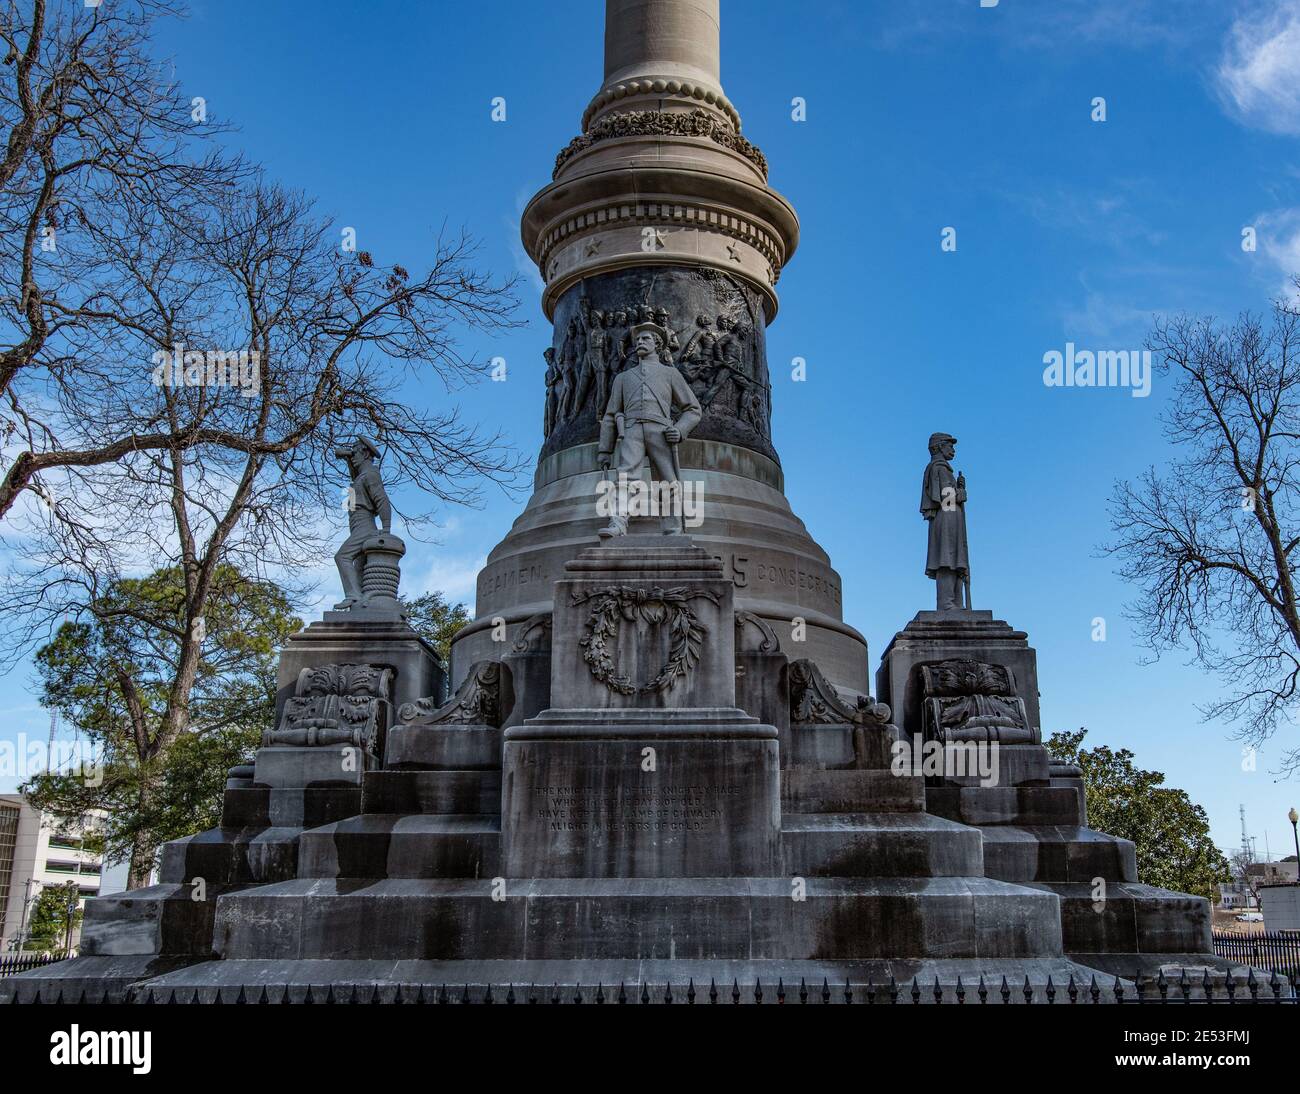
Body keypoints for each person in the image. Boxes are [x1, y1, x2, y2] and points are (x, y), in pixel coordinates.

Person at [597, 322, 702, 536]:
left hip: (661, 431)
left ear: (658, 344)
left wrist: (681, 430)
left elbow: (692, 409)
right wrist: (605, 450)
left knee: (667, 481)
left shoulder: (670, 374)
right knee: (625, 478)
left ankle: (672, 527)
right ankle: (618, 522)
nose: (639, 343)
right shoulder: (622, 378)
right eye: (637, 340)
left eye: (645, 339)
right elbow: (610, 415)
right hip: (631, 430)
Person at [334, 436, 391, 608]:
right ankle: (360, 603)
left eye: (355, 453)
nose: (353, 456)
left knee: (342, 556)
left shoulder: (371, 475)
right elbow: (355, 478)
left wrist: (386, 527)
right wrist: (347, 458)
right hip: (356, 523)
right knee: (360, 569)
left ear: (365, 454)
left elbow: (382, 500)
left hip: (365, 524)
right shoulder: (361, 476)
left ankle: (352, 595)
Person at [919, 432, 969, 611]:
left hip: (952, 516)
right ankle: (946, 602)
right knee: (947, 559)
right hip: (946, 516)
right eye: (950, 445)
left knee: (956, 561)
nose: (953, 450)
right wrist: (961, 494)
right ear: (940, 446)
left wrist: (959, 487)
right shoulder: (938, 467)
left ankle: (957, 602)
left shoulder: (945, 469)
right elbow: (944, 497)